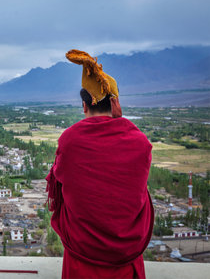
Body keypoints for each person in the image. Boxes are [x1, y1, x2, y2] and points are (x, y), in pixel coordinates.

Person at [46, 50, 154, 279]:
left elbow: (61, 190)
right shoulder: (140, 142)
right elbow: (138, 195)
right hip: (125, 256)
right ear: (115, 103)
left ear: (84, 105)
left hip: (82, 252)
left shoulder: (70, 140)